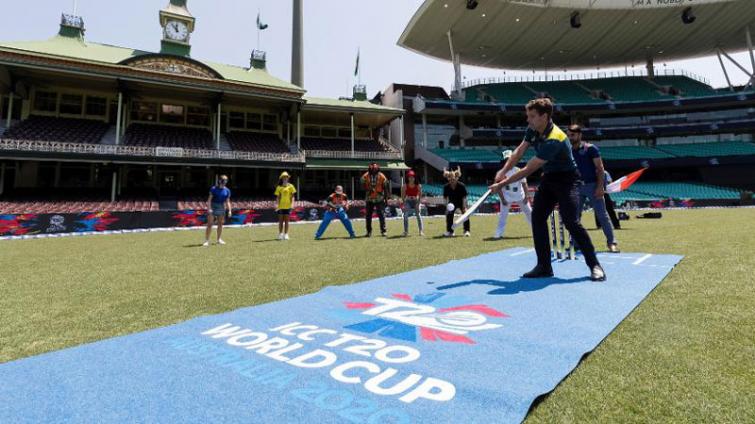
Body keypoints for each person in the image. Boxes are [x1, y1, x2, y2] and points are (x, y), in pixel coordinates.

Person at [489, 98, 605, 281]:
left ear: (544, 117)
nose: (528, 120)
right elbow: (519, 152)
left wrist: (501, 184)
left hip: (568, 180)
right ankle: (544, 266)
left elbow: (528, 169)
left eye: (532, 116)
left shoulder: (555, 139)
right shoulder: (533, 129)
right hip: (549, 178)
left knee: (571, 221)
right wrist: (502, 172)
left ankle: (595, 265)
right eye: (528, 116)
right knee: (537, 218)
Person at [567, 124, 620, 253]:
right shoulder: (567, 150)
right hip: (576, 186)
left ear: (580, 135)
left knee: (602, 215)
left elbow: (600, 168)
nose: (570, 137)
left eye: (573, 135)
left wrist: (600, 187)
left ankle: (611, 243)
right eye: (568, 135)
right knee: (574, 217)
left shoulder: (590, 148)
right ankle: (575, 243)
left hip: (593, 185)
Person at [494, 150, 532, 239]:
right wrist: (502, 199)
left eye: (510, 159)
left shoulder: (519, 170)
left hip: (520, 195)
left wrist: (526, 196)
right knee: (503, 216)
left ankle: (536, 230)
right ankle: (498, 234)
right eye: (506, 159)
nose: (508, 161)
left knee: (529, 213)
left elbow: (524, 184)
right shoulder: (501, 173)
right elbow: (498, 187)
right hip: (506, 196)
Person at [360, 163, 389, 237]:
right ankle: (368, 232)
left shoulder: (382, 176)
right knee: (368, 216)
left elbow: (385, 188)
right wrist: (367, 188)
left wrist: (386, 199)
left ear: (378, 169)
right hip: (369, 198)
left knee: (381, 215)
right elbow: (361, 185)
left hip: (379, 198)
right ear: (370, 169)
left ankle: (383, 231)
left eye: (375, 169)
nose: (373, 170)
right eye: (372, 169)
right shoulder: (365, 176)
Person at [203, 175, 232, 247]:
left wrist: (229, 210)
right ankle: (206, 241)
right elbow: (209, 200)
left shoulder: (227, 190)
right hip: (213, 206)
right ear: (219, 181)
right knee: (210, 224)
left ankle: (219, 239)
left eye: (226, 180)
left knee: (220, 224)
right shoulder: (213, 189)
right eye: (223, 180)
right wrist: (209, 208)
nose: (225, 182)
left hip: (221, 207)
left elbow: (227, 201)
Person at [443, 167, 470, 237]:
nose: (452, 181)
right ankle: (450, 231)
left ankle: (466, 231)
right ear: (448, 179)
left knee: (465, 214)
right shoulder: (446, 187)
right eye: (450, 179)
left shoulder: (462, 186)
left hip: (461, 201)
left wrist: (464, 207)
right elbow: (445, 198)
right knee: (449, 215)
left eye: (453, 179)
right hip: (451, 203)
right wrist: (446, 207)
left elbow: (464, 197)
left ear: (456, 178)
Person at [401, 170, 424, 237]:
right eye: (410, 177)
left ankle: (421, 231)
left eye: (412, 177)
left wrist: (418, 204)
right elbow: (402, 196)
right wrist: (404, 204)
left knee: (418, 214)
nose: (411, 178)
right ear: (408, 178)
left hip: (416, 201)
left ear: (414, 178)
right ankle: (406, 231)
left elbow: (420, 196)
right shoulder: (404, 186)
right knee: (405, 215)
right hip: (408, 201)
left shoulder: (418, 186)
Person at [274, 171, 296, 240]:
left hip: (288, 207)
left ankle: (286, 234)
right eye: (283, 177)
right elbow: (277, 197)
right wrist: (277, 205)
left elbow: (293, 197)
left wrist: (292, 204)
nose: (285, 178)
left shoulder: (291, 186)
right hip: (280, 207)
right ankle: (280, 234)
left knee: (287, 221)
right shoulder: (279, 187)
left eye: (286, 177)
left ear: (288, 178)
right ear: (281, 178)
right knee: (280, 221)